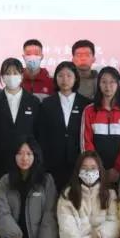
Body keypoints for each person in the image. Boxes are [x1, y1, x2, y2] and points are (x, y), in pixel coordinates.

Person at [0, 137, 59, 238]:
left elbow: (49, 217)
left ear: (35, 156)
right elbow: (2, 213)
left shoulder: (46, 180)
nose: (24, 158)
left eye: (29, 154)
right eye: (20, 153)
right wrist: (14, 237)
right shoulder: (5, 181)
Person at [57, 151, 120, 238]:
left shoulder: (109, 193)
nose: (89, 172)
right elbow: (67, 229)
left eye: (93, 168)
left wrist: (100, 232)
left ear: (99, 170)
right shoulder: (68, 194)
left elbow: (115, 222)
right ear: (78, 170)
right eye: (84, 168)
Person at [38, 61, 91, 192]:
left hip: (78, 161)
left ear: (76, 78)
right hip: (53, 161)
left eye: (69, 75)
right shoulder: (47, 103)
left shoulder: (86, 103)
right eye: (60, 75)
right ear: (55, 78)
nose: (65, 79)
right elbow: (42, 134)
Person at [82, 67, 120, 184]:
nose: (108, 86)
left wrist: (118, 169)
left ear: (119, 84)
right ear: (99, 84)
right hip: (94, 171)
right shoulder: (89, 110)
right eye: (104, 82)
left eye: (112, 82)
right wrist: (96, 167)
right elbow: (86, 142)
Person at [0, 58, 40, 181]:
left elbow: (38, 132)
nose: (11, 76)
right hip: (0, 160)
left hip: (27, 160)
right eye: (7, 73)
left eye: (15, 73)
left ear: (22, 75)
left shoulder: (33, 101)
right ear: (2, 76)